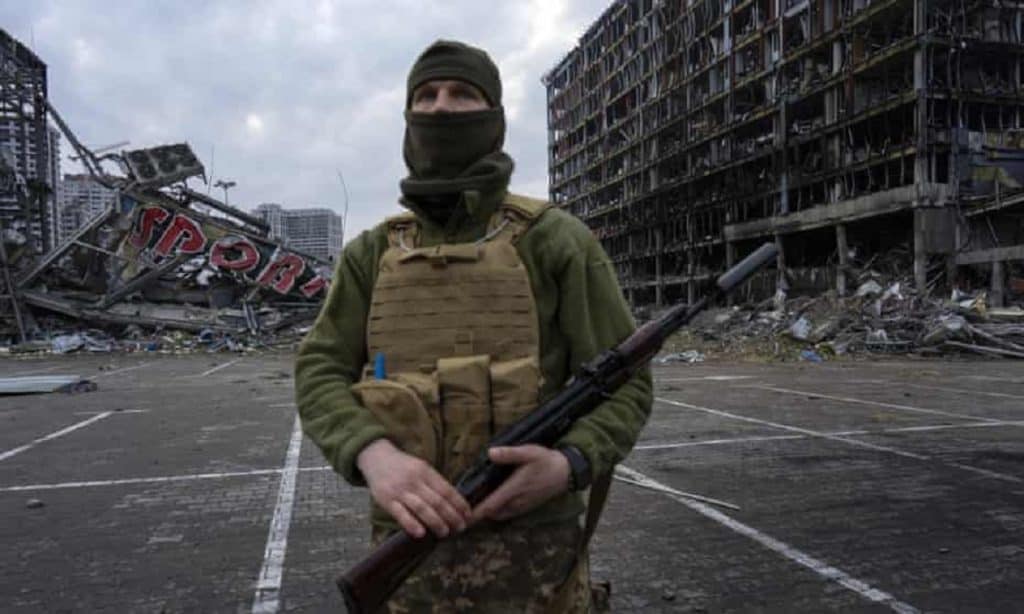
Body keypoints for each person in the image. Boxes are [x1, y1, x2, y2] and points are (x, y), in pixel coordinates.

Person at [295, 39, 653, 613]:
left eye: (462, 93)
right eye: (426, 95)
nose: (440, 107)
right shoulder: (371, 253)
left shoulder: (555, 239)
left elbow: (628, 379)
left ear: (494, 119)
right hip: (407, 548)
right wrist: (372, 453)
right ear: (408, 119)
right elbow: (319, 369)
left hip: (537, 552)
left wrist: (570, 462)